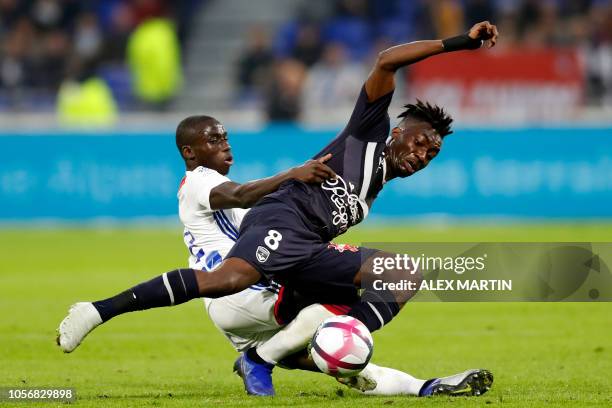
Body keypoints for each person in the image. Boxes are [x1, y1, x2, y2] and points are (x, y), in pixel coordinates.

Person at [58, 21, 499, 397]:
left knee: (400, 276)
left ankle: (366, 361)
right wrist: (461, 42)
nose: (423, 153)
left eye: (432, 154)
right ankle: (97, 311)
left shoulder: (372, 189)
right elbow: (387, 60)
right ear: (398, 131)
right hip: (282, 220)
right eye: (420, 141)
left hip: (306, 250)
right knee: (230, 278)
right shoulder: (367, 135)